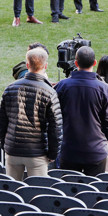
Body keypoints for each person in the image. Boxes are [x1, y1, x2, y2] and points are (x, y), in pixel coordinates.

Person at [0, 48, 62, 180]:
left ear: (27, 65)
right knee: (38, 192)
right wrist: (53, 153)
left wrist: (4, 145)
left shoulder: (10, 89)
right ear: (45, 65)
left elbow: (2, 122)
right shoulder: (50, 92)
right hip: (37, 153)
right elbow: (55, 128)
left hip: (13, 151)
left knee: (12, 193)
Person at [55, 46, 108, 175]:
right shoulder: (104, 89)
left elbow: (54, 116)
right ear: (94, 63)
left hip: (69, 150)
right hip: (95, 151)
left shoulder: (62, 86)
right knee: (93, 192)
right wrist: (105, 138)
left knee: (68, 190)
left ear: (76, 63)